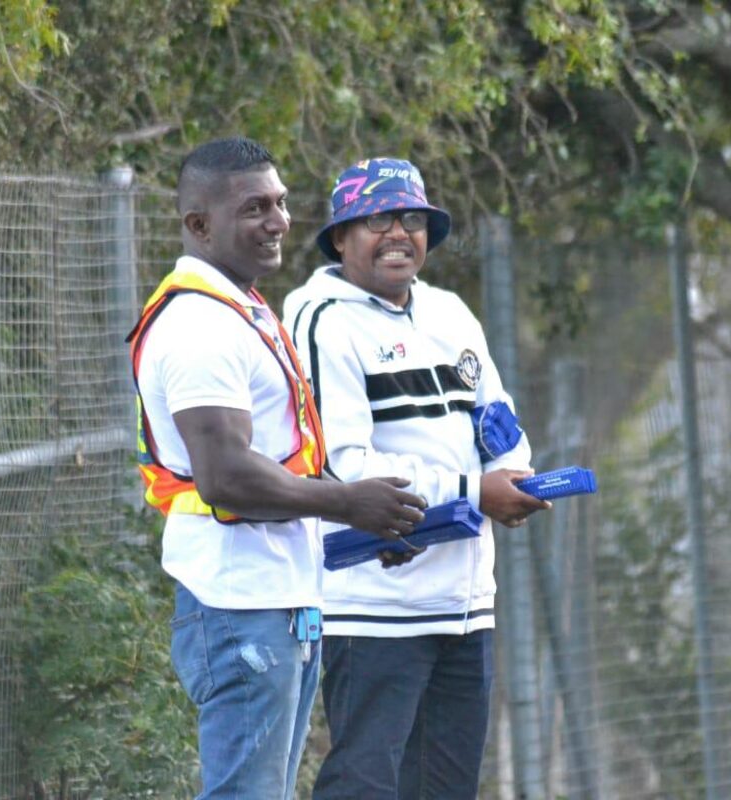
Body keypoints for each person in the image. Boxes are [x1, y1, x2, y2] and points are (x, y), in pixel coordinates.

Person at [127, 138, 427, 800]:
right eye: (255, 208)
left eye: (282, 203)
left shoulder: (240, 309)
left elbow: (277, 461)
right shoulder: (199, 325)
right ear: (199, 224)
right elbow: (226, 477)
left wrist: (365, 521)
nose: (279, 222)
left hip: (274, 598)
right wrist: (349, 504)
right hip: (238, 604)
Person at [283, 157, 550, 799]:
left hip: (464, 604)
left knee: (445, 789)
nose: (398, 232)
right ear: (341, 236)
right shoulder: (320, 317)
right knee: (364, 785)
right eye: (378, 219)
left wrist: (513, 476)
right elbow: (342, 464)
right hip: (374, 606)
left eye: (412, 219)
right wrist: (474, 492)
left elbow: (497, 419)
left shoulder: (450, 312)